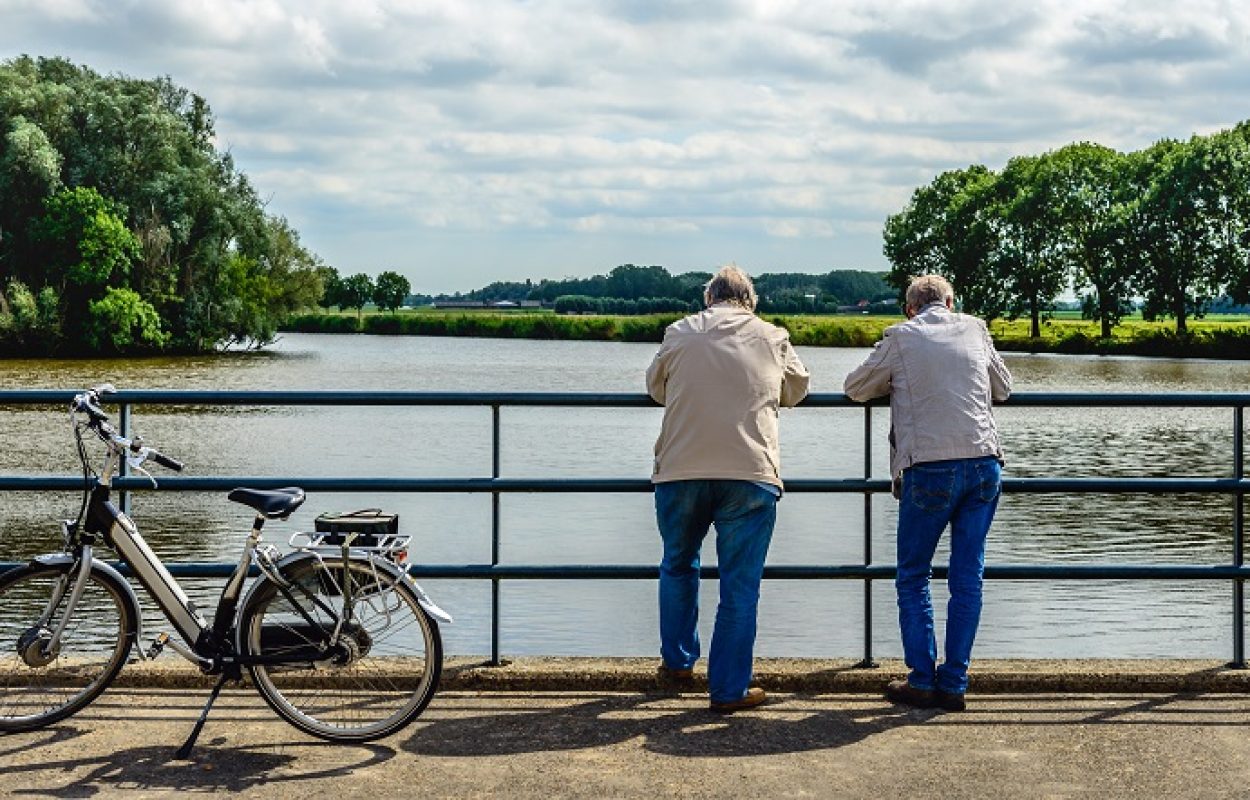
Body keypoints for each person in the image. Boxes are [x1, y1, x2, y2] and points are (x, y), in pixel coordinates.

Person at [843, 274, 1011, 712]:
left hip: (930, 467)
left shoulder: (901, 337)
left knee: (914, 575)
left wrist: (899, 382)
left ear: (909, 308)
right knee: (967, 576)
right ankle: (954, 683)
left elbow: (856, 388)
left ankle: (921, 679)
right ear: (952, 303)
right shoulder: (976, 328)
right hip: (983, 465)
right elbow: (1003, 388)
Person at [646, 265, 810, 713]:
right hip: (750, 473)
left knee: (678, 563)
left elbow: (655, 388)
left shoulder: (679, 333)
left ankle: (678, 664)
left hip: (681, 469)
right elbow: (797, 389)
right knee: (740, 586)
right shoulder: (773, 336)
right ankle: (729, 689)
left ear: (708, 299)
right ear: (749, 301)